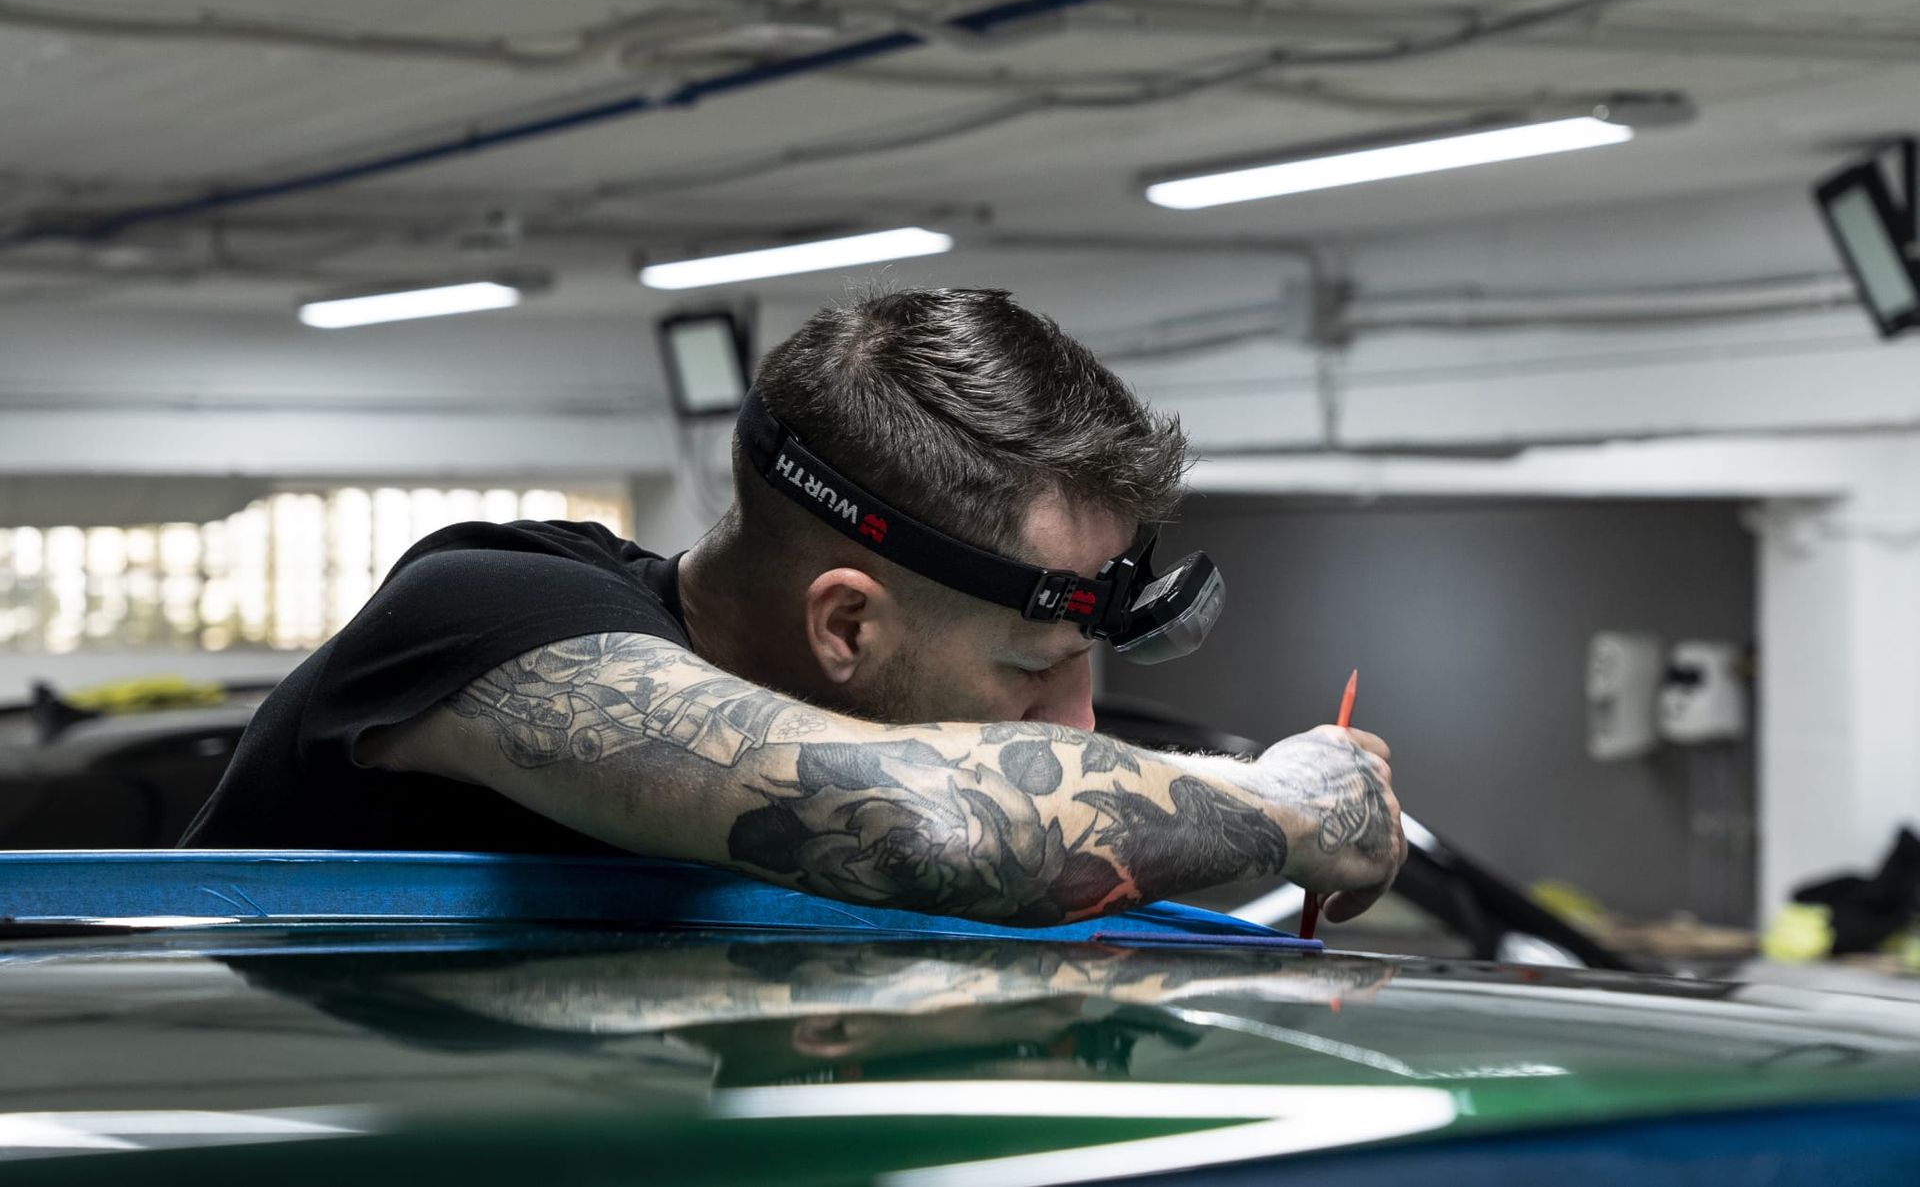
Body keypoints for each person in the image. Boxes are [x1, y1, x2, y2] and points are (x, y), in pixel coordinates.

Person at [183, 288, 1404, 927]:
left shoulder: (885, 727)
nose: (1076, 721)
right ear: (846, 625)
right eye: (1034, 666)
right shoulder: (490, 615)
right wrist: (1289, 804)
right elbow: (937, 828)